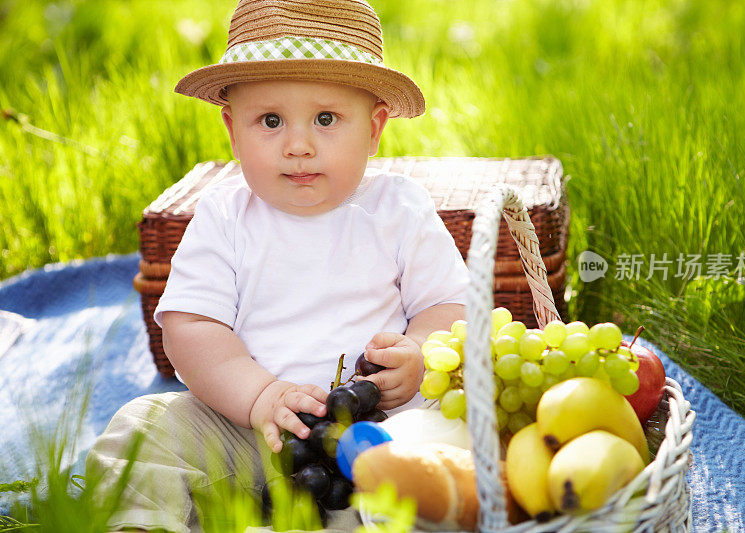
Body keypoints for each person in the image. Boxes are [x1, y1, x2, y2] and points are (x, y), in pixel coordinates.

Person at [85, 0, 468, 531]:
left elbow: (447, 305)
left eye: (327, 119)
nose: (298, 146)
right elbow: (191, 327)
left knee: (450, 450)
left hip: (377, 431)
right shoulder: (224, 216)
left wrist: (420, 357)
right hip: (243, 427)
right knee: (142, 430)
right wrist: (259, 395)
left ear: (375, 128)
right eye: (270, 121)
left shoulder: (399, 209)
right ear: (233, 131)